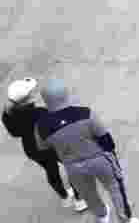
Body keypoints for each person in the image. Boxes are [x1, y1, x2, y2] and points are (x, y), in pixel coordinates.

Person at [35, 79, 139, 223]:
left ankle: (101, 216)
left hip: (73, 166)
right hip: (99, 159)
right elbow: (106, 139)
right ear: (65, 94)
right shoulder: (85, 113)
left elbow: (43, 148)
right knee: (115, 187)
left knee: (88, 193)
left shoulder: (41, 126)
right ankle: (126, 222)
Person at [4, 78, 88, 213]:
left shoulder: (7, 115)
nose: (34, 93)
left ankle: (64, 197)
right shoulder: (40, 113)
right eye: (31, 92)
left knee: (51, 170)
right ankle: (79, 200)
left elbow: (15, 133)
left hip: (32, 149)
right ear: (26, 99)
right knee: (71, 165)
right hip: (52, 145)